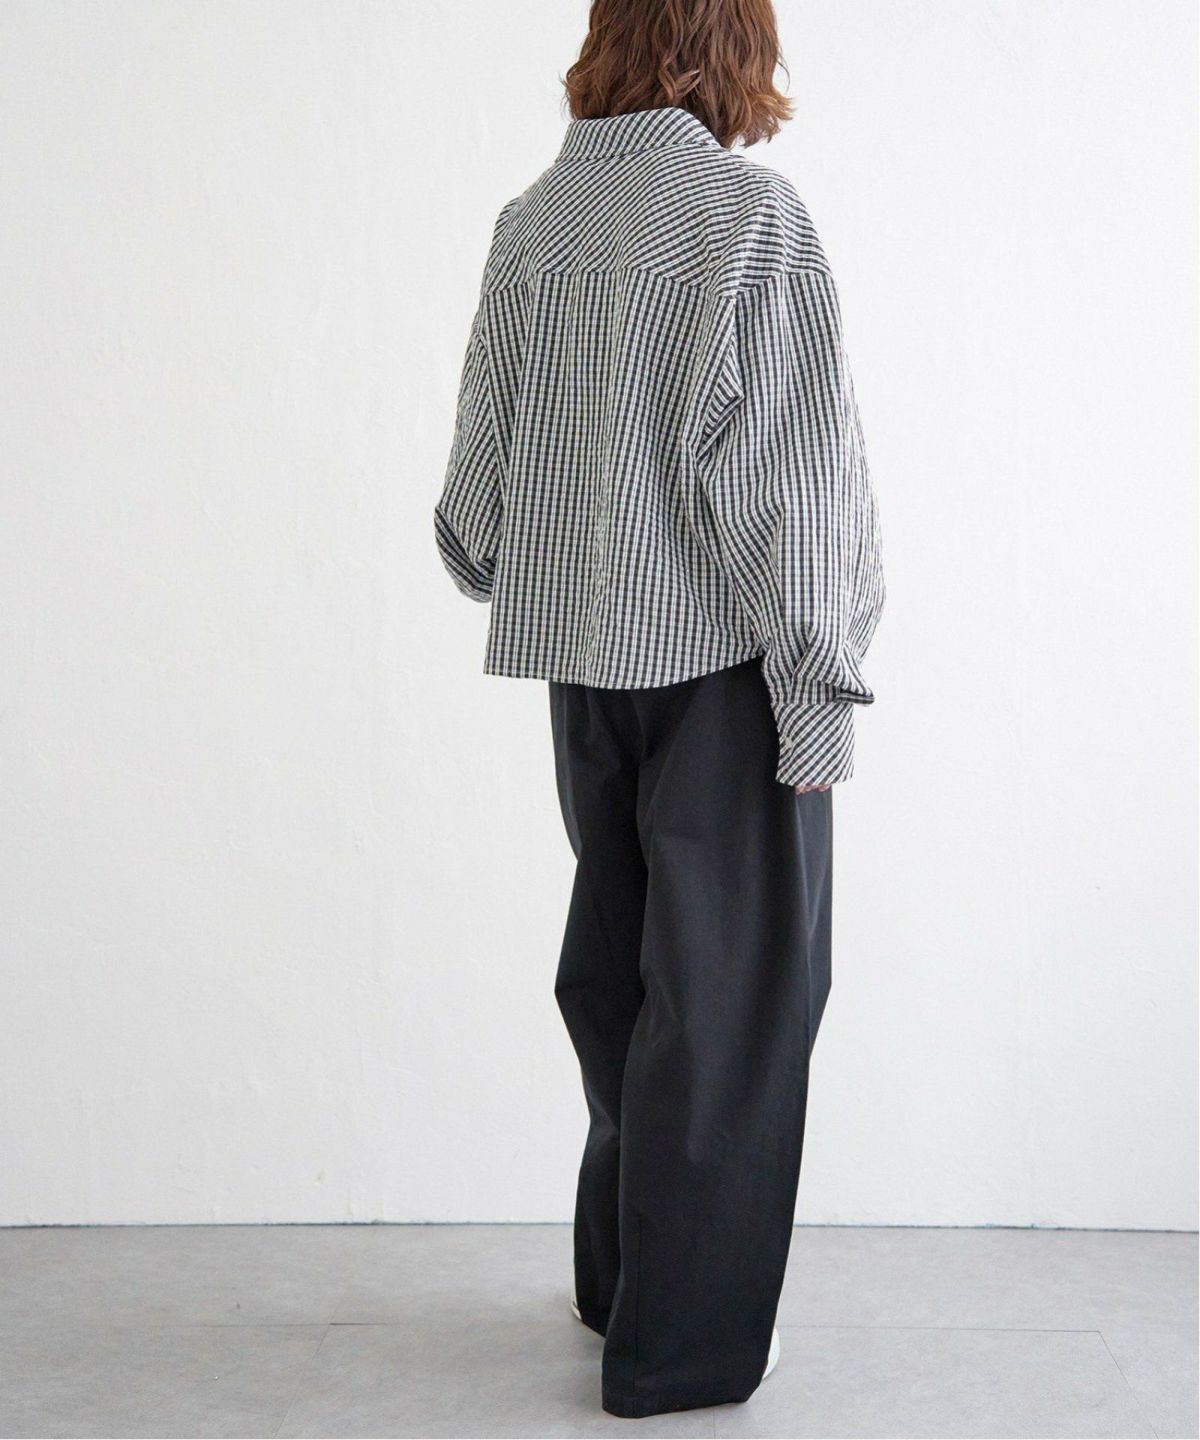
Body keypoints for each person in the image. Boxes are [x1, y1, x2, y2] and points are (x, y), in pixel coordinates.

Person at [433, 0, 885, 1419]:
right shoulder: (746, 222)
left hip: (585, 677)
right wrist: (821, 680)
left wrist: (575, 551)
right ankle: (677, 1353)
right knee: (737, 1012)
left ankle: (620, 1280)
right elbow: (793, 486)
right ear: (732, 47)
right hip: (730, 678)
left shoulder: (532, 226)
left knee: (623, 982)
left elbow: (470, 516)